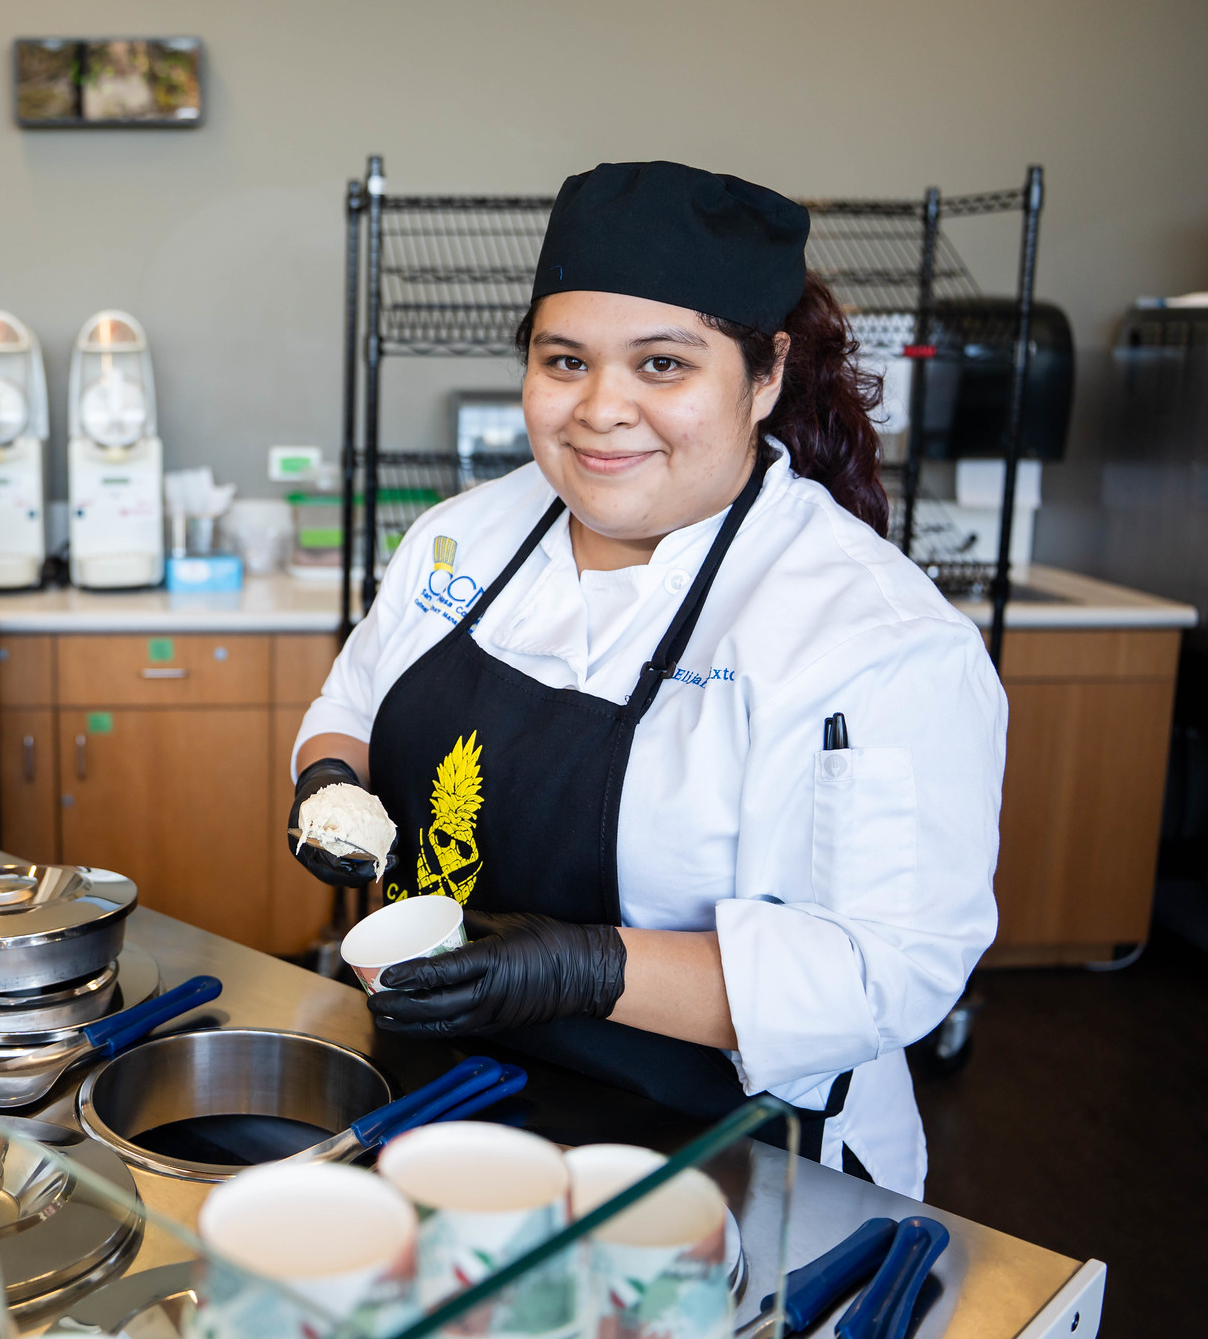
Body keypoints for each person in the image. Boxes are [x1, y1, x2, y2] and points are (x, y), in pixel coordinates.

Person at [288, 161, 1003, 1197]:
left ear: (763, 376)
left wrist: (585, 970)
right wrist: (328, 782)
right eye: (563, 360)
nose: (599, 410)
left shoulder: (872, 637)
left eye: (661, 365)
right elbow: (349, 703)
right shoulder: (462, 535)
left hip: (726, 1161)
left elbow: (884, 972)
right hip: (436, 1102)